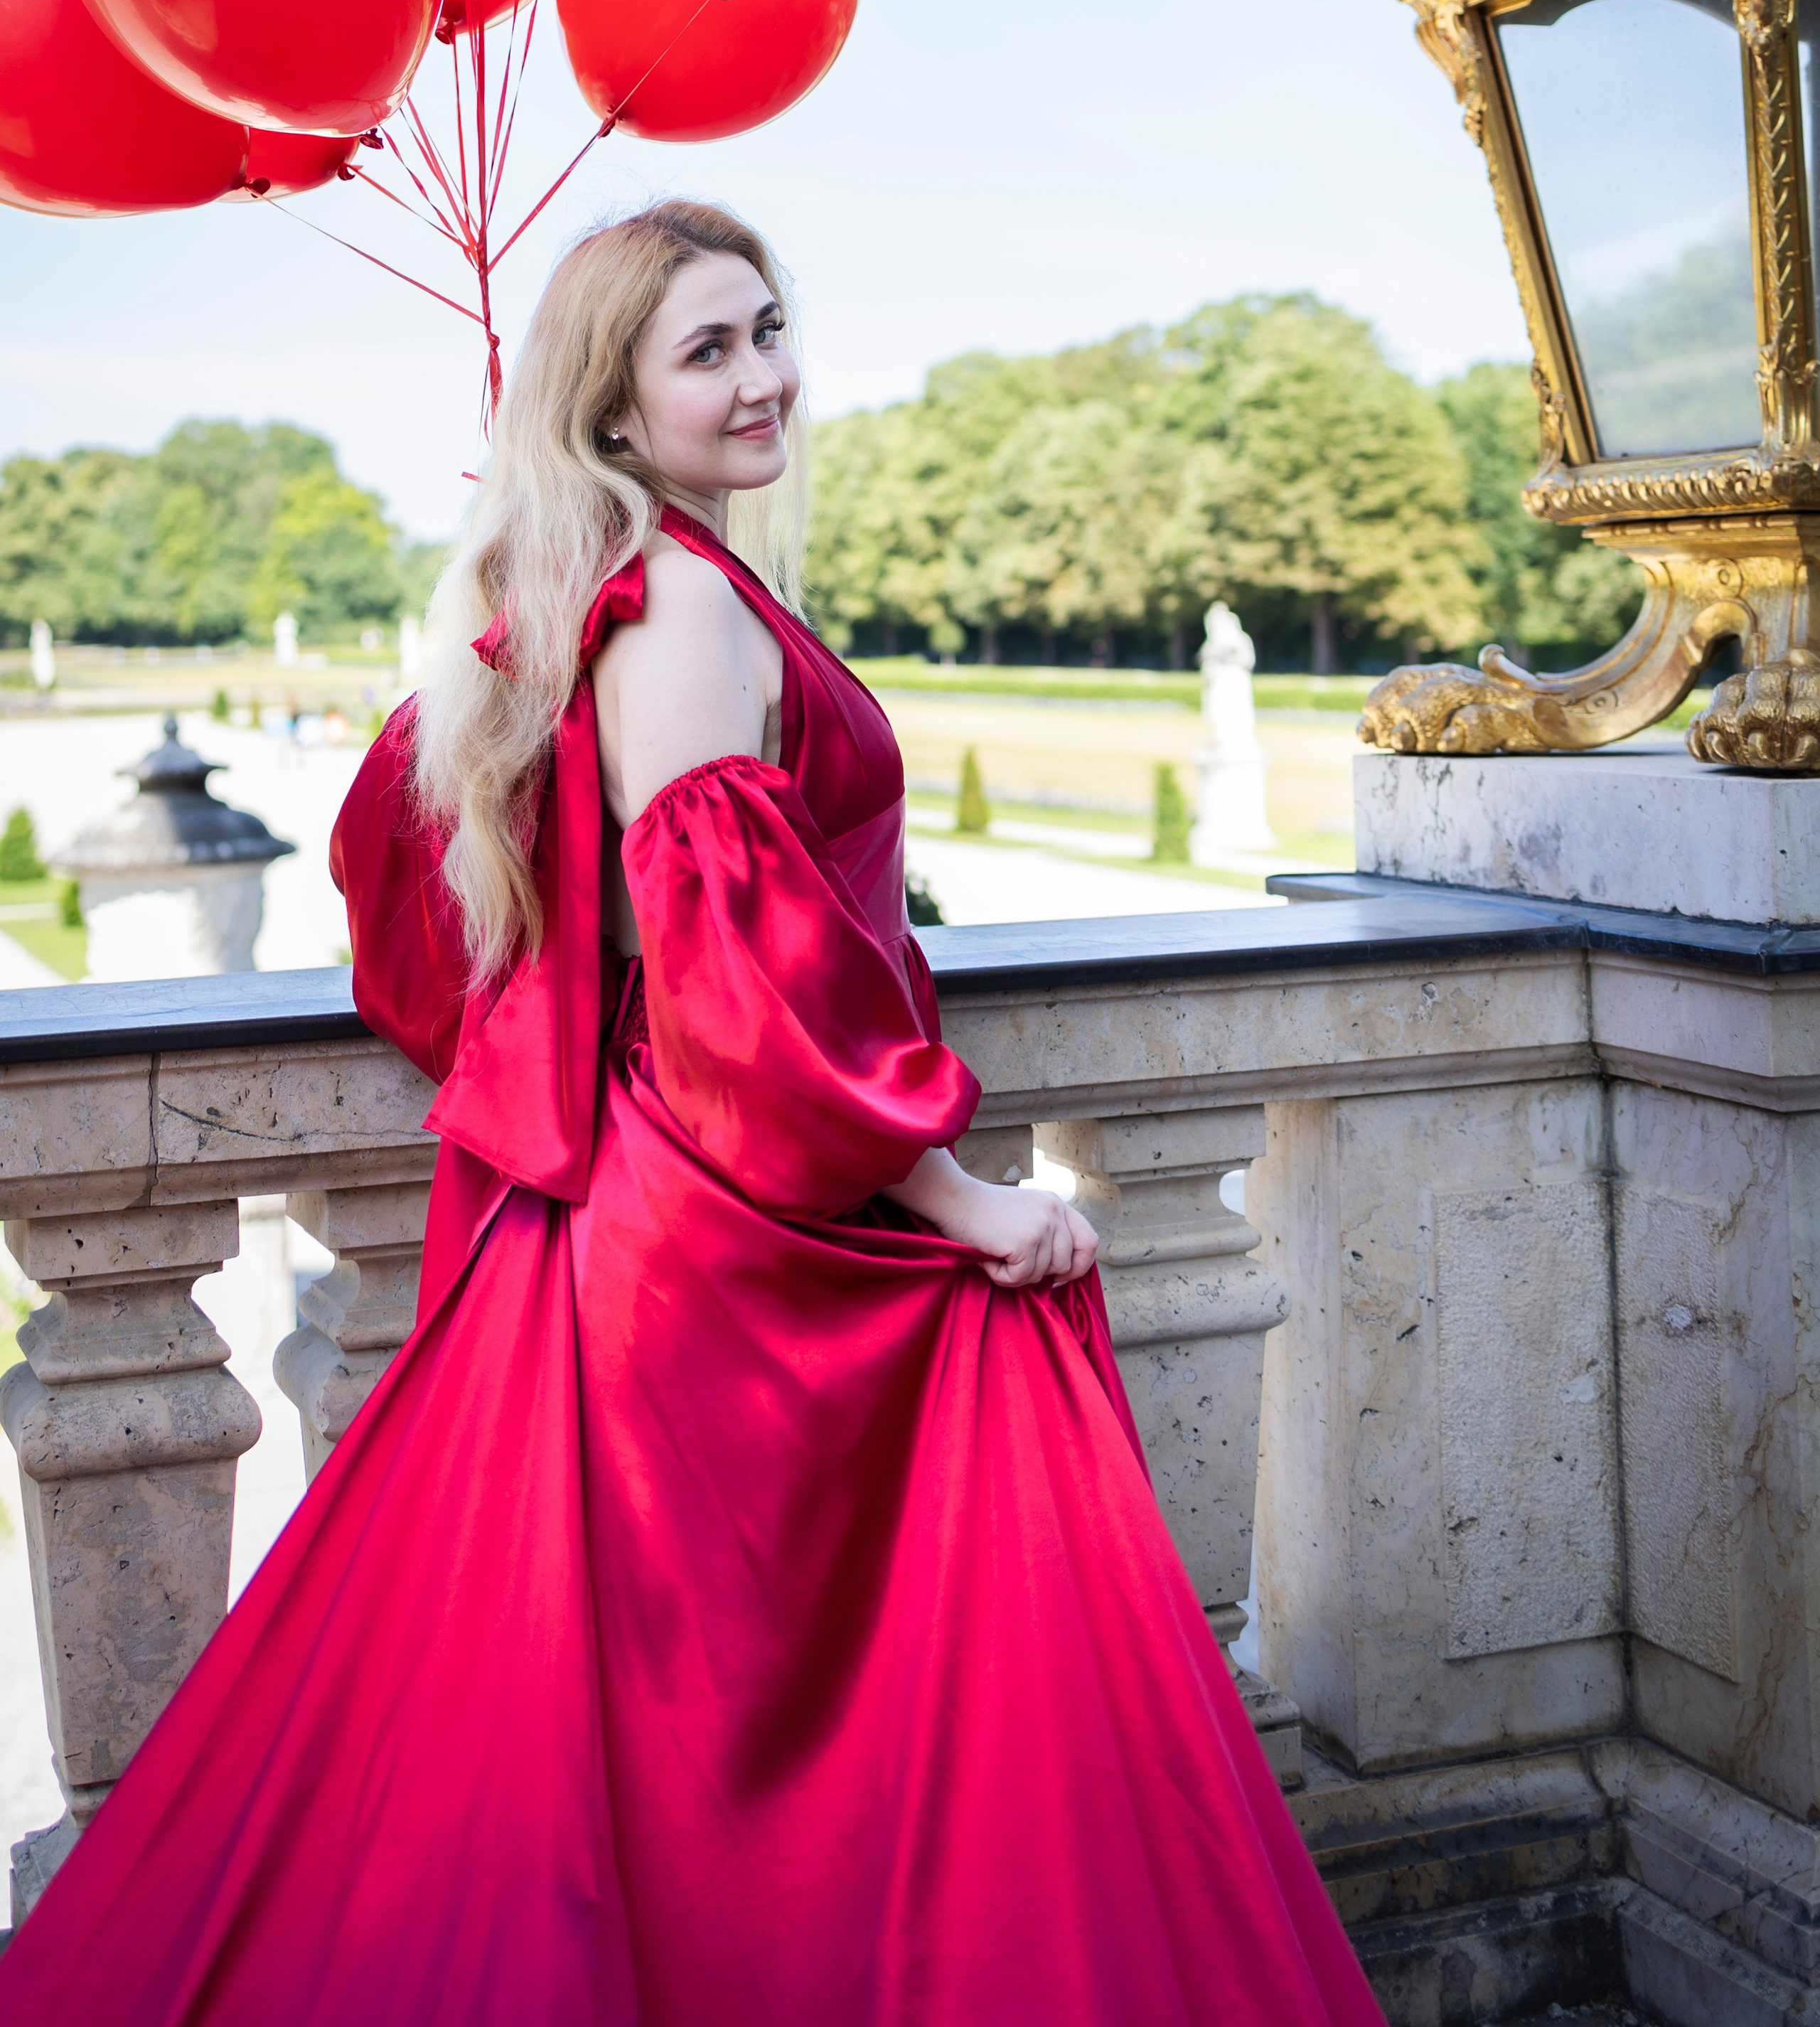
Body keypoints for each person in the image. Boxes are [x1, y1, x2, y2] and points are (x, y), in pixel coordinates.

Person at [0, 203, 1383, 2026]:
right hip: (722, 1238)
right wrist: (958, 1196)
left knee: (666, 1754)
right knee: (742, 1757)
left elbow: (418, 900)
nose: (761, 378)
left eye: (768, 329)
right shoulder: (676, 612)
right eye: (706, 351)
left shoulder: (594, 596)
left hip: (645, 1217)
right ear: (613, 405)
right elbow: (741, 982)